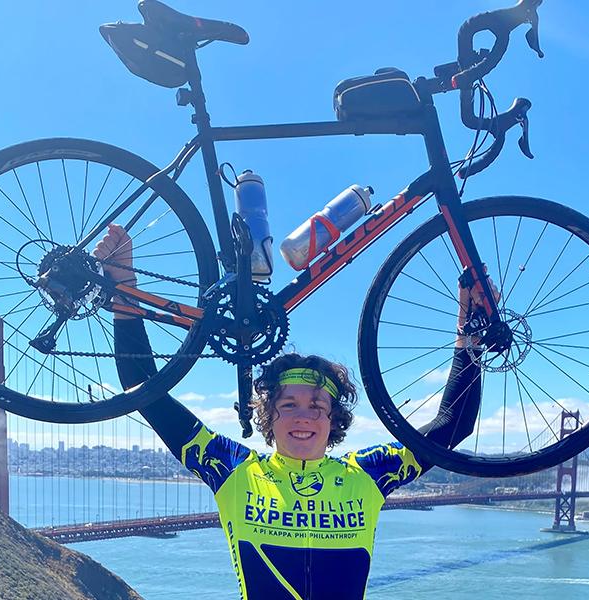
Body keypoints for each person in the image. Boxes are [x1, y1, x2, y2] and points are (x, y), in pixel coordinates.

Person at [94, 223, 493, 599]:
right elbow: (143, 390)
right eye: (289, 405)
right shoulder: (235, 470)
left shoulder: (366, 474)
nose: (303, 416)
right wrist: (124, 284)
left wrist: (469, 329)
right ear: (269, 416)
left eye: (317, 406)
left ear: (334, 420)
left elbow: (452, 425)